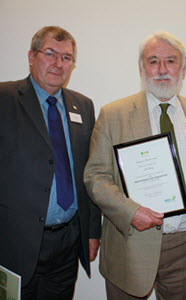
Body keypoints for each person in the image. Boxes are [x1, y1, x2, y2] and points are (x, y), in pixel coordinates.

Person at [84, 31, 186, 300]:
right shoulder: (114, 114)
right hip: (131, 242)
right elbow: (96, 176)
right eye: (153, 61)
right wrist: (131, 211)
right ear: (141, 66)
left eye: (170, 61)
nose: (162, 70)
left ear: (183, 67)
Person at [0, 26, 101, 300]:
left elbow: (89, 172)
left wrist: (92, 232)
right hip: (15, 242)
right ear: (31, 56)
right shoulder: (4, 99)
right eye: (50, 54)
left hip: (68, 243)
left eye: (67, 57)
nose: (59, 63)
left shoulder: (84, 106)